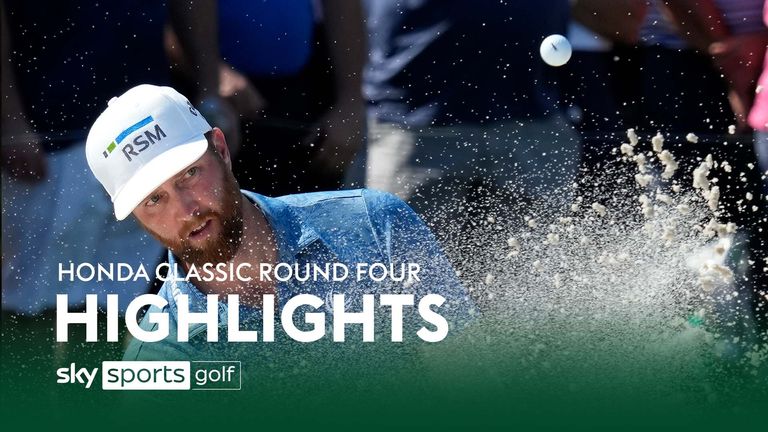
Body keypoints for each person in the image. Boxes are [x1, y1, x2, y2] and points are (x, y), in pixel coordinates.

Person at [84, 84, 475, 360]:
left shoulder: (374, 222)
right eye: (155, 199)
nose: (186, 210)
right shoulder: (161, 356)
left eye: (189, 174)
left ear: (221, 149)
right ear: (136, 216)